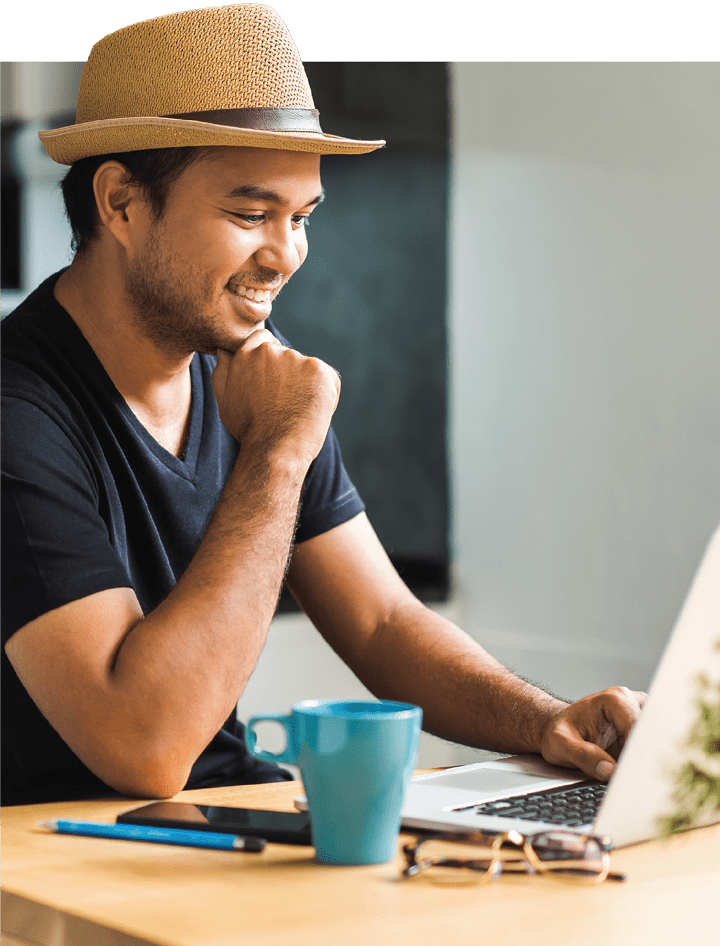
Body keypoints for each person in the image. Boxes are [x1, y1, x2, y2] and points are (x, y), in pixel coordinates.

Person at [0, 4, 643, 806]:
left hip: (225, 821)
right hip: (64, 862)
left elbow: (379, 624)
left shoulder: (251, 379)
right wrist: (277, 448)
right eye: (249, 213)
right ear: (122, 203)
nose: (286, 255)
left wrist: (547, 722)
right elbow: (146, 747)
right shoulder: (19, 412)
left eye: (301, 218)